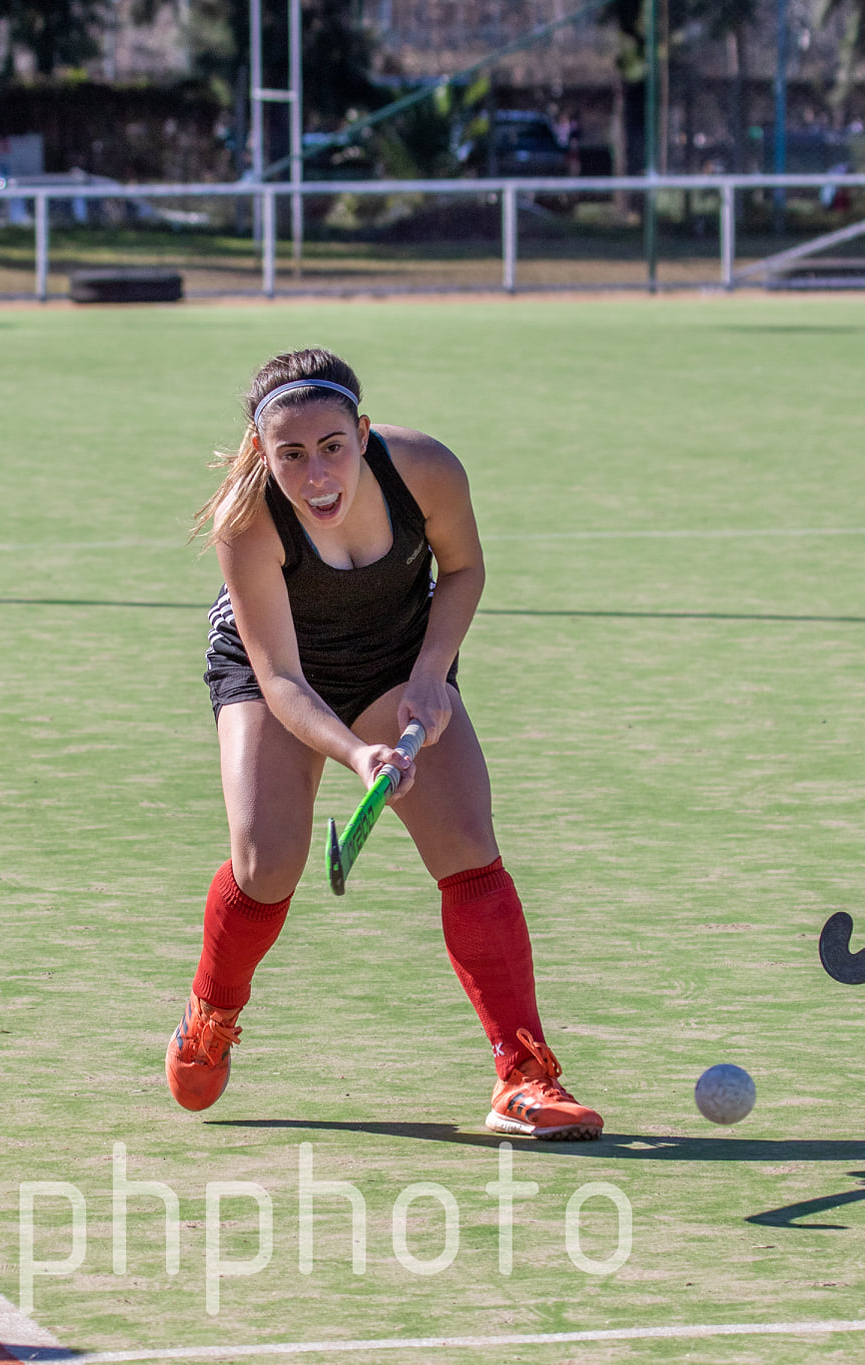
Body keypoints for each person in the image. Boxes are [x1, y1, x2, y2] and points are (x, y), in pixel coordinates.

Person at [167, 348, 603, 1140]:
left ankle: (524, 1076)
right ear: (264, 454)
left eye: (333, 445)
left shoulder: (427, 470)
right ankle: (210, 1012)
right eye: (291, 455)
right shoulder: (248, 519)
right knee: (266, 863)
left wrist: (432, 675)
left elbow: (464, 568)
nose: (316, 474)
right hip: (281, 667)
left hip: (399, 652)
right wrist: (358, 753)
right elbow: (285, 682)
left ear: (363, 434)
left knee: (468, 845)